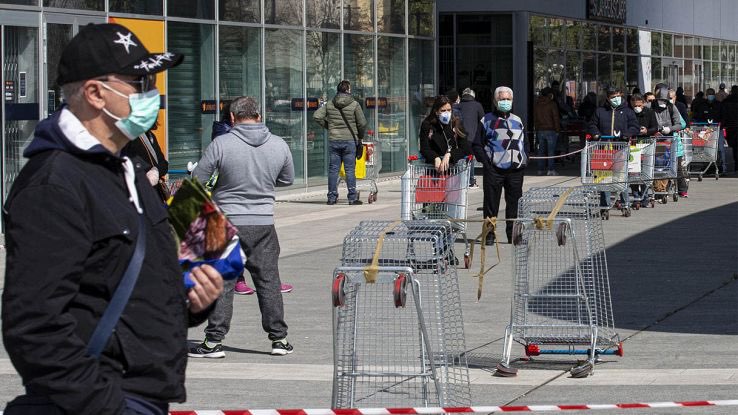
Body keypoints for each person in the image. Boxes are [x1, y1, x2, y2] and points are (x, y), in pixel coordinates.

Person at [1, 23, 224, 415]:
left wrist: (192, 302)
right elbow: (34, 324)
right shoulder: (55, 183)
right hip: (102, 400)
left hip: (144, 394)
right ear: (95, 93)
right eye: (139, 83)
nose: (151, 94)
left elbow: (126, 282)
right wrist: (104, 405)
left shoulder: (127, 169)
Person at [190, 96, 295, 358]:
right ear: (259, 116)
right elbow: (287, 179)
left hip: (225, 221)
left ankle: (213, 342)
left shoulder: (221, 144)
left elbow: (198, 178)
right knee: (268, 281)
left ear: (232, 118)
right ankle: (279, 339)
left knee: (223, 283)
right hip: (263, 223)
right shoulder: (279, 144)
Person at [472, 86, 526, 245]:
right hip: (494, 169)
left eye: (508, 99)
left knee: (515, 204)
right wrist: (486, 162)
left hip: (515, 170)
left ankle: (513, 235)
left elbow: (525, 143)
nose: (505, 102)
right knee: (491, 204)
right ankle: (489, 235)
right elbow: (477, 144)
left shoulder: (518, 120)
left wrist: (525, 159)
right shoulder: (486, 120)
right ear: (495, 101)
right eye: (502, 99)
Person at [313, 80, 368, 205]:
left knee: (333, 170)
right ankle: (352, 198)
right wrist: (359, 136)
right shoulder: (354, 104)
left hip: (334, 140)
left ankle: (331, 198)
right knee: (350, 170)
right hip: (350, 141)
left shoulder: (330, 104)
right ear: (348, 90)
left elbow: (317, 116)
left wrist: (329, 126)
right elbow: (362, 123)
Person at [588, 86, 639, 209]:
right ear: (608, 98)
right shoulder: (600, 111)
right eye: (613, 97)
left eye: (618, 96)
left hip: (620, 148)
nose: (616, 99)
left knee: (620, 177)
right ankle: (604, 205)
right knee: (604, 177)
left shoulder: (627, 111)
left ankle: (625, 203)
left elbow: (634, 126)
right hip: (603, 149)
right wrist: (596, 134)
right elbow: (592, 125)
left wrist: (627, 134)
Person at [419, 95, 471, 173]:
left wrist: (450, 155)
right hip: (434, 169)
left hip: (453, 169)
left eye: (449, 110)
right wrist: (435, 157)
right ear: (436, 112)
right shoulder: (427, 125)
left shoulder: (456, 123)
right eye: (443, 110)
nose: (447, 113)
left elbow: (465, 148)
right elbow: (424, 148)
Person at [651, 84, 686, 199]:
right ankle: (658, 189)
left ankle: (664, 189)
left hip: (668, 141)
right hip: (654, 140)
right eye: (660, 100)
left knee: (667, 165)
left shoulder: (672, 107)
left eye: (664, 100)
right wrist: (653, 130)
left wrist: (669, 129)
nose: (662, 103)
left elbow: (679, 124)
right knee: (656, 165)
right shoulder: (651, 107)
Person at [121, 123, 169, 202]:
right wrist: (143, 176)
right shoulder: (130, 137)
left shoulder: (151, 136)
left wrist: (156, 170)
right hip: (140, 193)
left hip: (156, 194)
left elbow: (164, 164)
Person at [630, 93, 658, 206]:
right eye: (635, 105)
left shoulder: (649, 112)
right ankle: (636, 195)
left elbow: (655, 127)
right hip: (633, 144)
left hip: (646, 143)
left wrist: (647, 131)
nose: (637, 107)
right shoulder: (629, 112)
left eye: (639, 105)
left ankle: (645, 195)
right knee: (633, 171)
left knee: (645, 171)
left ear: (643, 104)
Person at [458, 87, 485, 188]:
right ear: (473, 96)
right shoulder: (477, 105)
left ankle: (459, 180)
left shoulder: (458, 105)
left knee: (459, 158)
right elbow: (483, 120)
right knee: (470, 159)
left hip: (459, 136)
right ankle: (470, 181)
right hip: (471, 136)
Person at [533, 86, 561, 176]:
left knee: (541, 151)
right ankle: (551, 170)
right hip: (551, 130)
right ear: (550, 94)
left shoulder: (537, 104)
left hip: (540, 130)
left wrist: (536, 129)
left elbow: (535, 119)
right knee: (551, 151)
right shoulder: (552, 104)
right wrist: (557, 130)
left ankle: (540, 170)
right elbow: (556, 118)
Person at [720, 85, 738, 173]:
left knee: (735, 147)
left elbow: (723, 114)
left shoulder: (727, 101)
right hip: (733, 126)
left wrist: (723, 124)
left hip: (731, 127)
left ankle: (736, 164)